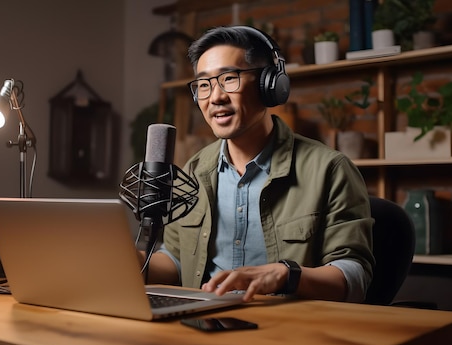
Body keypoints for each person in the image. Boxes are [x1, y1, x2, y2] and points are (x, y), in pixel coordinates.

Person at [141, 25, 374, 303]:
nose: (215, 97)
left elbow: (354, 276)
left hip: (289, 332)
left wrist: (286, 275)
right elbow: (176, 261)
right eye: (204, 85)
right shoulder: (193, 170)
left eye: (229, 78)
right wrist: (128, 261)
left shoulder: (330, 169)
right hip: (201, 325)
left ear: (269, 85)